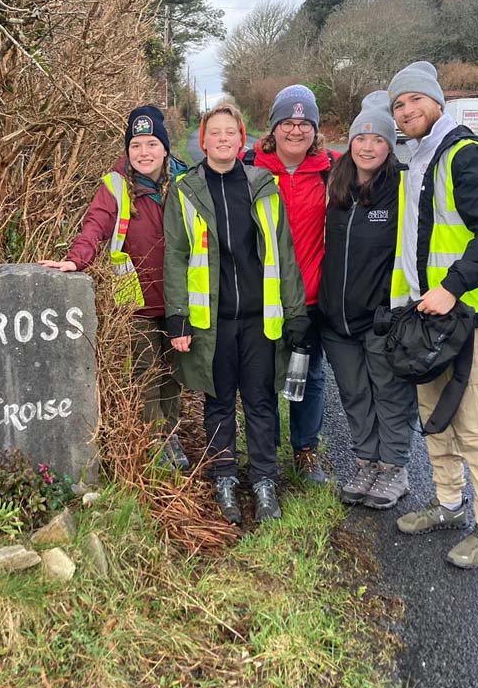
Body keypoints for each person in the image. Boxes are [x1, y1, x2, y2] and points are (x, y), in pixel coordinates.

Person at [387, 61, 478, 569]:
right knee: (434, 413)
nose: (406, 110)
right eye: (399, 105)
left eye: (415, 100)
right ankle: (447, 503)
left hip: (468, 313)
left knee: (476, 420)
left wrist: (451, 287)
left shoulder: (464, 155)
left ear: (436, 102)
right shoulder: (421, 158)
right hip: (427, 314)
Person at [163, 103, 308, 524]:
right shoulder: (185, 190)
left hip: (261, 320)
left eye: (231, 132)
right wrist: (178, 315)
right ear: (202, 140)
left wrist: (296, 312)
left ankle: (264, 480)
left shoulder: (263, 184)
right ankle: (224, 476)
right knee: (219, 402)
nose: (223, 139)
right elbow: (175, 255)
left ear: (241, 139)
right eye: (215, 132)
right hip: (214, 322)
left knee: (261, 403)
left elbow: (283, 251)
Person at [40, 105, 189, 469]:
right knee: (145, 374)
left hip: (180, 300)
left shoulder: (187, 182)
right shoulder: (116, 185)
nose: (144, 152)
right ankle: (152, 445)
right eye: (136, 145)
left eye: (152, 143)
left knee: (173, 374)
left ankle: (171, 438)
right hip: (135, 300)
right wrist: (77, 258)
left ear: (165, 148)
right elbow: (96, 224)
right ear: (128, 150)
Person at [318, 91, 416, 510]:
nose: (368, 146)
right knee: (354, 393)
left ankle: (394, 468)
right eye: (362, 138)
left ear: (389, 146)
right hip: (336, 320)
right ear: (351, 141)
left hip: (381, 318)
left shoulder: (401, 185)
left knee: (390, 394)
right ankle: (365, 462)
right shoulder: (336, 183)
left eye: (378, 140)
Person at [243, 84, 339, 485]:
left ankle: (305, 449)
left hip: (313, 294)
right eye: (287, 122)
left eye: (304, 123)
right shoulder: (250, 166)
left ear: (314, 129)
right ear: (274, 127)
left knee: (309, 374)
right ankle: (265, 452)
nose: (296, 131)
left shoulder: (333, 169)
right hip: (262, 293)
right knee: (262, 375)